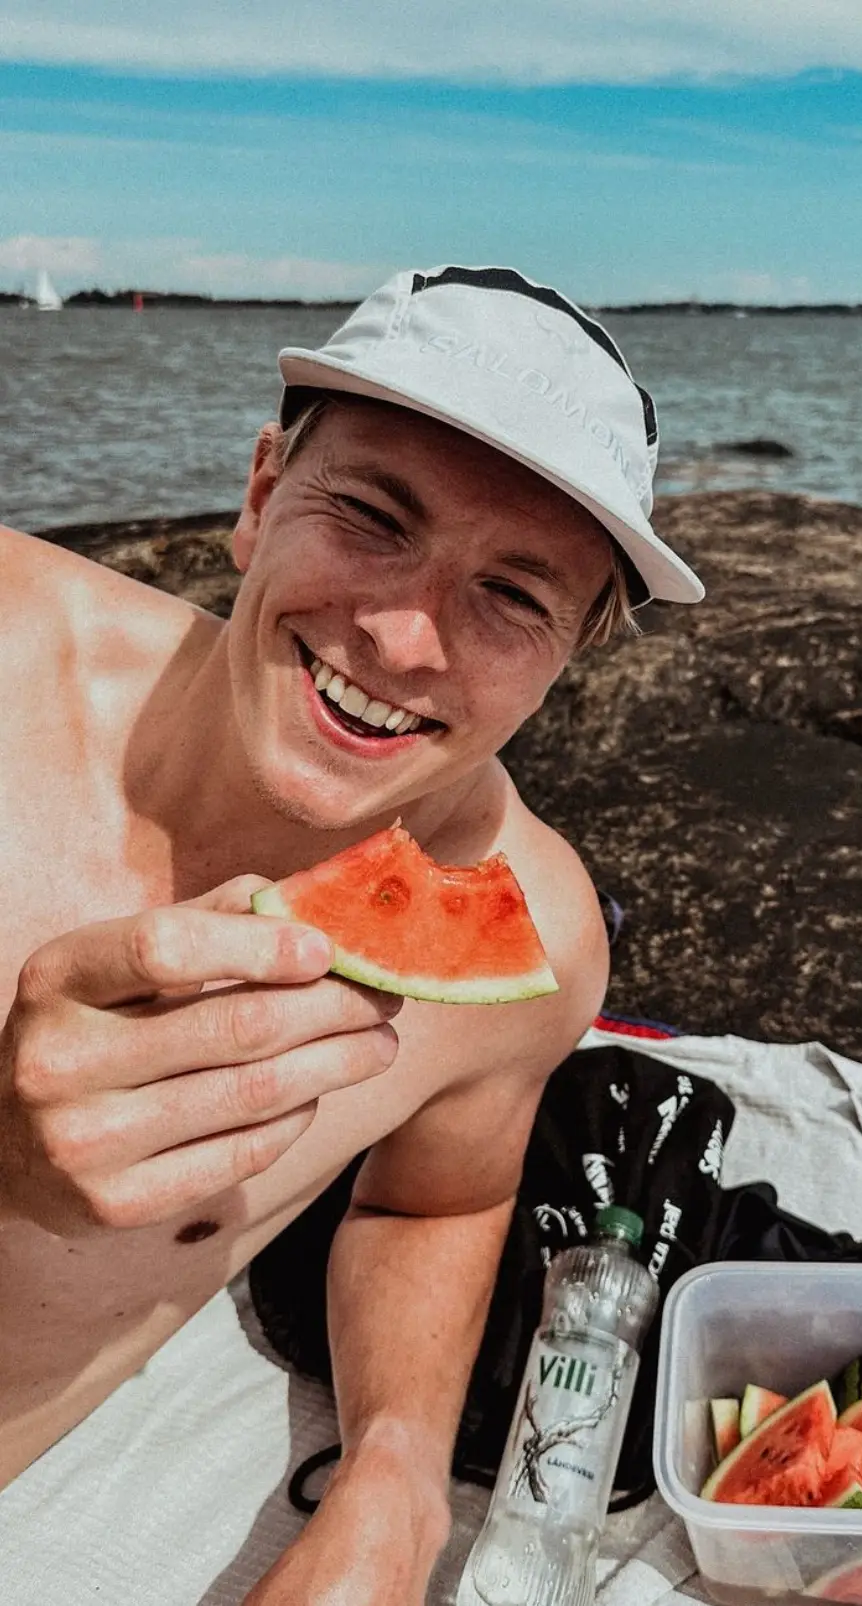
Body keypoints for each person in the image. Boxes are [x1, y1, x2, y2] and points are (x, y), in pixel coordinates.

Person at [0, 265, 703, 1603]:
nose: (399, 635)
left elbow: (438, 1191)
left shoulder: (536, 933)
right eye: (374, 516)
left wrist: (393, 1477)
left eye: (514, 595)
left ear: (575, 650)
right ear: (261, 493)